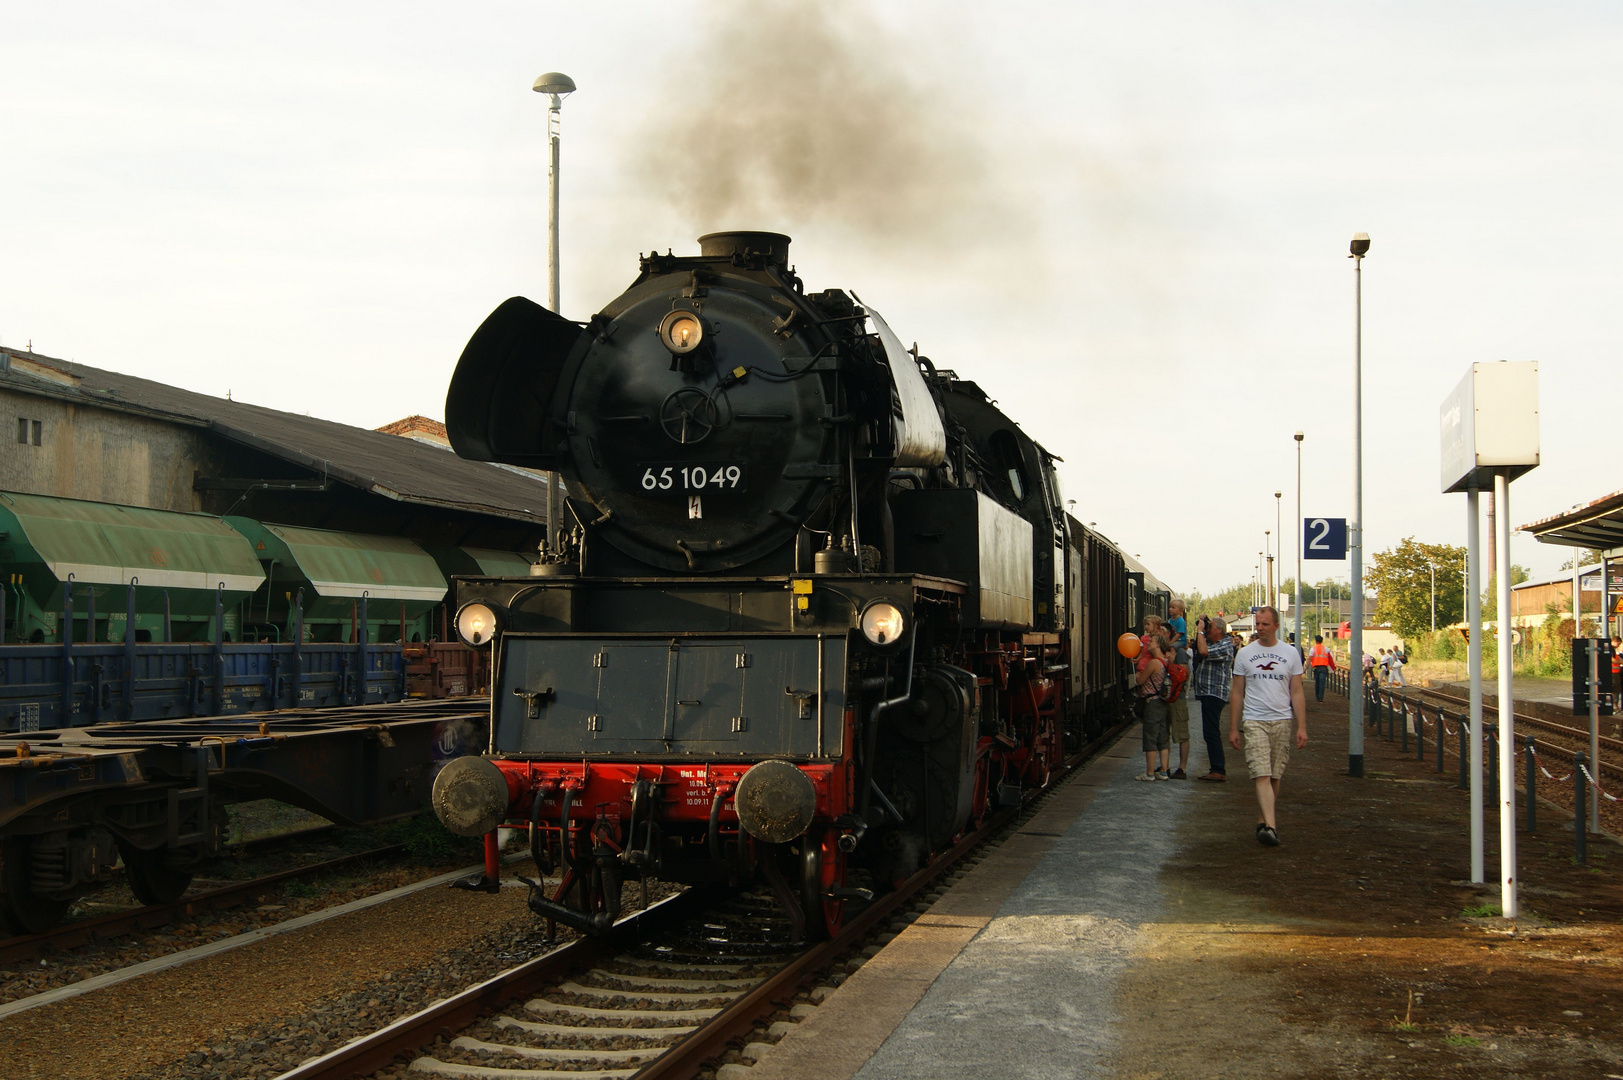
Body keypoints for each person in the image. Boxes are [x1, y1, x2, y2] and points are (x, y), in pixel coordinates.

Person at [1228, 606, 1307, 847]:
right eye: (1258, 624)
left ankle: (1263, 820)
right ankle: (1272, 827)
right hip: (1254, 719)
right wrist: (1234, 727)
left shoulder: (1291, 653)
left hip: (1282, 719)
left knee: (1274, 773)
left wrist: (1302, 726)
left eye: (1264, 624)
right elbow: (1238, 692)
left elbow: (1296, 691)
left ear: (1275, 626)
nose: (1260, 628)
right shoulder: (1244, 654)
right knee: (1260, 772)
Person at [1192, 613, 1237, 781]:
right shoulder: (1216, 643)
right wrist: (1204, 623)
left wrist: (1200, 631)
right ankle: (1216, 768)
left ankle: (1218, 769)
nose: (1207, 631)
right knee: (1209, 732)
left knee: (1212, 733)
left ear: (1219, 630)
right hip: (1208, 693)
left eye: (1210, 628)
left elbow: (1203, 651)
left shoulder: (1225, 646)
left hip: (1214, 693)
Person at [1134, 637, 1172, 781]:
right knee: (1163, 736)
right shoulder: (1167, 661)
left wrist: (1138, 675)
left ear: (1158, 645)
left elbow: (1141, 680)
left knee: (1150, 736)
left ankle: (1149, 772)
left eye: (1152, 641)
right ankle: (1163, 770)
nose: (1148, 643)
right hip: (1163, 702)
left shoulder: (1154, 663)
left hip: (1152, 702)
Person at [1306, 635, 1336, 702]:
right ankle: (1320, 697)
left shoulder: (1312, 649)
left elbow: (1309, 659)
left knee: (1317, 682)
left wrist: (1305, 668)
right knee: (1322, 682)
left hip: (1316, 668)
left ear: (1315, 641)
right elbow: (1330, 659)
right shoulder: (1326, 649)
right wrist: (1333, 668)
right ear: (1322, 641)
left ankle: (1317, 696)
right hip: (1324, 668)